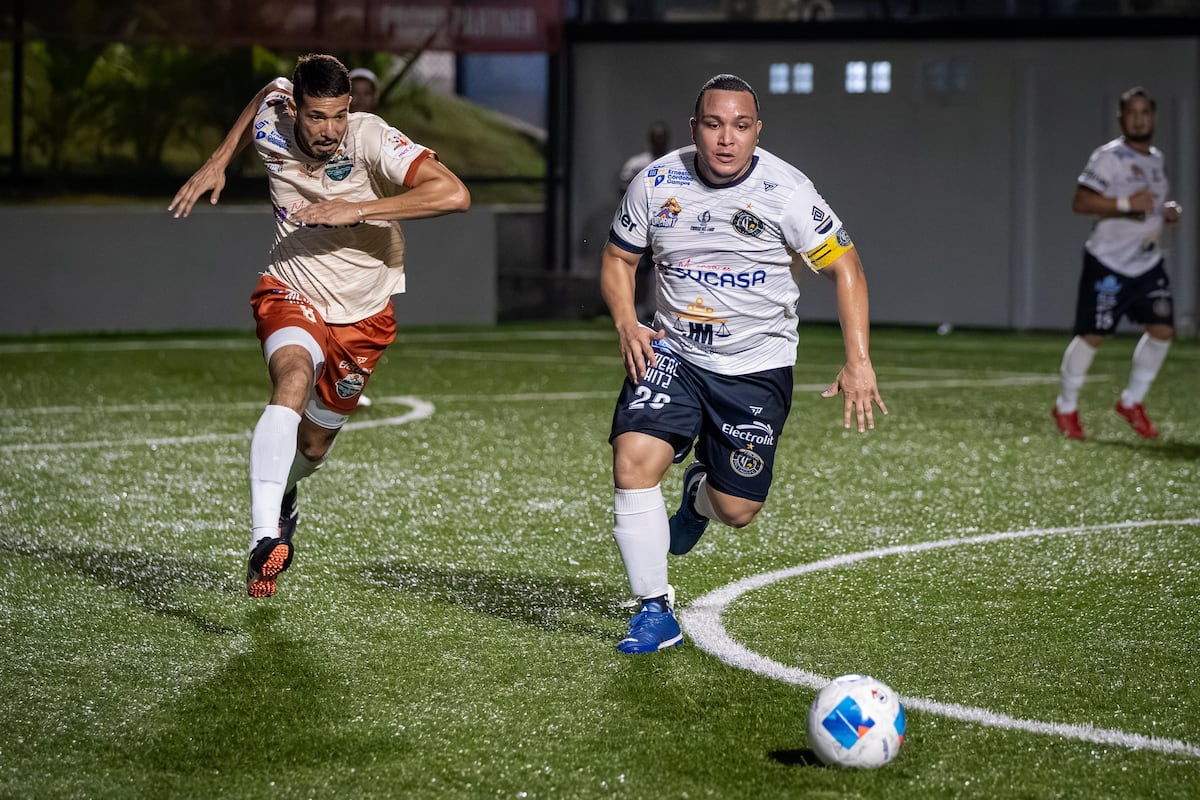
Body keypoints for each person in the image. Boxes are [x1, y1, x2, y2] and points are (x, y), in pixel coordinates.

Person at [600, 73, 886, 654]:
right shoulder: (656, 183)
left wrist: (858, 361)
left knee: (737, 510)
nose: (726, 139)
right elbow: (617, 258)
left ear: (757, 130)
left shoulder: (787, 191)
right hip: (673, 352)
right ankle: (654, 610)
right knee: (633, 460)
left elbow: (846, 268)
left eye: (741, 125)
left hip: (757, 366)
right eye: (713, 124)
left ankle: (701, 492)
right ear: (694, 129)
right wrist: (628, 322)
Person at [169, 53, 470, 597]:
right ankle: (264, 538)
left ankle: (284, 495)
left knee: (312, 448)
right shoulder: (273, 119)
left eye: (338, 116)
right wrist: (220, 158)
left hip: (365, 312)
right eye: (316, 117)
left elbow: (455, 194)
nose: (329, 130)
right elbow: (267, 91)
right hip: (292, 288)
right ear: (297, 110)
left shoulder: (371, 137)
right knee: (292, 379)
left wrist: (357, 209)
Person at [1052, 86, 1182, 441]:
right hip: (1108, 263)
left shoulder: (1156, 158)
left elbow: (1148, 201)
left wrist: (1164, 210)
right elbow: (1081, 202)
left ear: (1153, 117)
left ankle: (1131, 402)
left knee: (1162, 330)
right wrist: (1128, 204)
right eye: (1132, 112)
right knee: (1093, 335)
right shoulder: (1108, 157)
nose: (1139, 118)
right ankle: (1066, 408)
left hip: (1147, 263)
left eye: (1145, 112)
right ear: (1122, 118)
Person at [616, 121, 672, 321]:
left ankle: (664, 310)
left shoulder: (675, 162)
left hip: (669, 225)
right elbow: (623, 191)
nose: (659, 142)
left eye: (662, 138)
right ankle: (637, 309)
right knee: (639, 269)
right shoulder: (636, 164)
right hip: (642, 224)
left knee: (668, 268)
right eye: (655, 138)